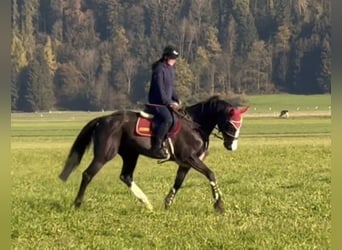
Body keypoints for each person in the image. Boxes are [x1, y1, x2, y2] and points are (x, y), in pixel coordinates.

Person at [147, 45, 182, 158]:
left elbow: (170, 88)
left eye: (175, 58)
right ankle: (156, 147)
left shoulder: (170, 69)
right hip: (157, 102)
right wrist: (169, 103)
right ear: (166, 57)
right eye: (172, 57)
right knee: (168, 119)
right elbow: (159, 88)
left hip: (166, 101)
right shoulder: (159, 69)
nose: (174, 60)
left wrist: (177, 99)